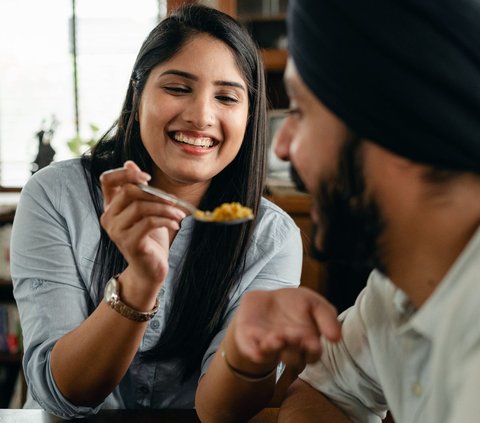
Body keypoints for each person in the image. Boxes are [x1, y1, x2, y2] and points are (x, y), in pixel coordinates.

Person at [10, 5, 303, 421]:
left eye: (226, 97)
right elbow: (64, 396)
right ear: (138, 92)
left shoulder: (272, 237)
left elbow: (220, 414)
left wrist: (253, 351)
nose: (201, 116)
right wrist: (140, 282)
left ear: (249, 114)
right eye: (178, 88)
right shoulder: (56, 197)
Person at [218, 0, 480, 422]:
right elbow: (326, 393)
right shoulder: (394, 290)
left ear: (395, 123)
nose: (281, 148)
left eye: (300, 112)